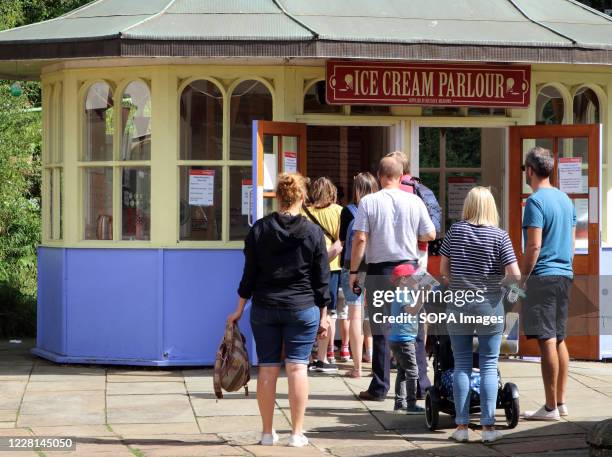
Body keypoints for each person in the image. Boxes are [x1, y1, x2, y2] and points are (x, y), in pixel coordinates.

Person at [227, 173, 331, 448]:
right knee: (298, 368)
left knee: (267, 370)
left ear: (278, 196)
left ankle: (266, 433)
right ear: (302, 196)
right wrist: (325, 314)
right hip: (302, 307)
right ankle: (296, 434)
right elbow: (321, 278)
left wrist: (238, 309)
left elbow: (248, 275)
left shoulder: (259, 229)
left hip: (265, 307)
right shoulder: (312, 232)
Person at [349, 156, 436, 401]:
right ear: (401, 176)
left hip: (380, 271)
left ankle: (379, 386)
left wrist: (354, 271)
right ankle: (420, 385)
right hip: (410, 270)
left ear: (379, 176)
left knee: (380, 328)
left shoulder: (369, 202)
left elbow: (361, 239)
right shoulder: (414, 201)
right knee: (415, 329)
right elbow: (430, 232)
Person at [439, 186, 520, 444]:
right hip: (489, 305)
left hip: (460, 304)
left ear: (469, 206)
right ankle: (487, 429)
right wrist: (501, 286)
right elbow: (515, 275)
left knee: (461, 364)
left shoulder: (455, 231)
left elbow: (444, 271)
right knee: (487, 365)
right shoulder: (500, 236)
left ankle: (461, 427)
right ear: (491, 207)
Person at [521, 147, 576, 421]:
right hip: (565, 275)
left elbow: (533, 246)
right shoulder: (566, 200)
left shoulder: (535, 202)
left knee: (547, 341)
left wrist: (521, 278)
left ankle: (550, 407)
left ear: (530, 170)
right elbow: (571, 243)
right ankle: (561, 402)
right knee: (560, 338)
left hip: (542, 276)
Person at [386, 150, 433, 399]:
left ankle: (393, 382)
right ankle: (420, 379)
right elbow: (431, 231)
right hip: (419, 260)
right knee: (417, 313)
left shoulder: (385, 194)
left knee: (392, 316)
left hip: (394, 264)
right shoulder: (421, 192)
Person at [339, 172, 379, 377]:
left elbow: (347, 242)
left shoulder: (349, 211)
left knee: (355, 316)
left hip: (354, 266)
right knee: (377, 315)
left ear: (357, 190)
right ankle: (376, 364)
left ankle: (356, 368)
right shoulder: (381, 210)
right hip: (377, 267)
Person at [302, 177, 343, 373]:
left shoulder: (303, 212)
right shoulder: (338, 211)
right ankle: (323, 358)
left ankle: (307, 356)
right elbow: (341, 242)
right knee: (329, 313)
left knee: (308, 309)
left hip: (306, 268)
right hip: (331, 268)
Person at [389, 263, 425, 414]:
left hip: (399, 338)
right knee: (412, 371)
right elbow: (411, 311)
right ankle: (411, 404)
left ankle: (399, 403)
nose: (417, 280)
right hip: (404, 340)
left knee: (402, 371)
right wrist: (422, 297)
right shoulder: (403, 293)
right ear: (404, 279)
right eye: (414, 278)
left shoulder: (404, 293)